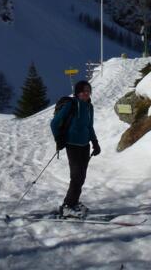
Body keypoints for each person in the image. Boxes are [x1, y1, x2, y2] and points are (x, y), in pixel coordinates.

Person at [50, 80, 101, 217]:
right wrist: (59, 139)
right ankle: (67, 205)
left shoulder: (90, 107)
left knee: (81, 176)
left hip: (85, 145)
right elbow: (54, 123)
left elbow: (89, 127)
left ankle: (74, 202)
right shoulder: (71, 105)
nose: (86, 93)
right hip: (72, 145)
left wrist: (95, 143)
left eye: (88, 91)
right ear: (77, 93)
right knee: (76, 176)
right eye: (83, 91)